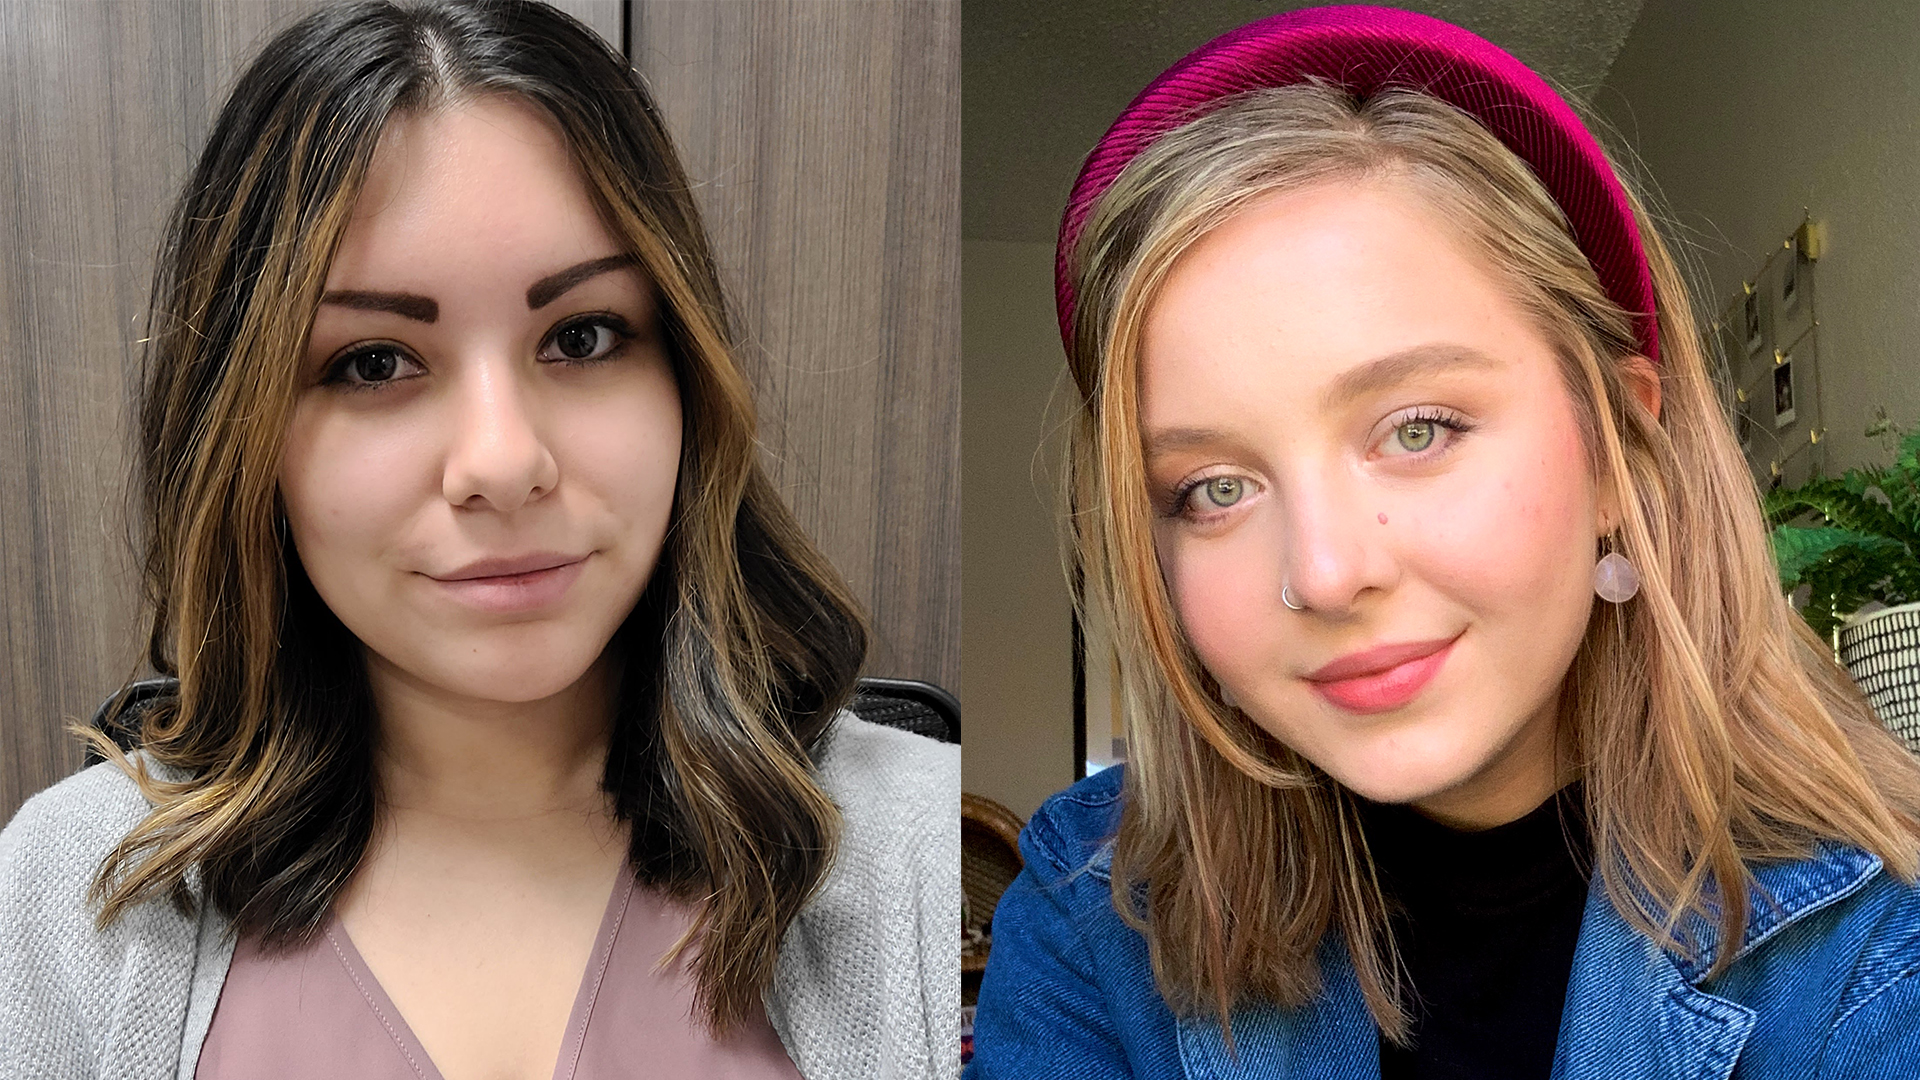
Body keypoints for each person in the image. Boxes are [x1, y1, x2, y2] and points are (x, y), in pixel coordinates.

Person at [0, 3, 957, 1078]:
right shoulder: (68, 892)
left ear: (686, 378)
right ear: (245, 429)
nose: (503, 464)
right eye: (373, 362)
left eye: (582, 337)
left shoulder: (927, 853)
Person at [968, 7, 1920, 1078]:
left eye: (1418, 430)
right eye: (1214, 488)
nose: (1326, 573)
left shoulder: (1876, 950)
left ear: (1617, 453)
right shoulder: (1087, 908)